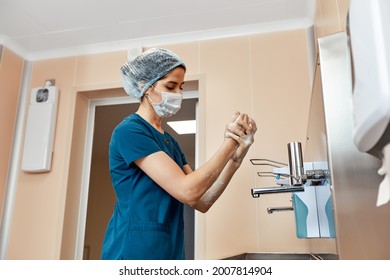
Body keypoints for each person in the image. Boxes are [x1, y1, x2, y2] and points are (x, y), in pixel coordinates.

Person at [101, 48, 257, 260]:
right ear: (143, 86)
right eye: (170, 86)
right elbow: (188, 191)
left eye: (181, 87)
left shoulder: (169, 142)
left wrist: (235, 159)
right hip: (132, 253)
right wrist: (230, 142)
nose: (178, 94)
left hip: (169, 252)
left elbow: (202, 201)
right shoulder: (130, 131)